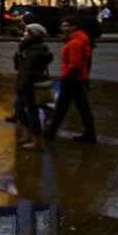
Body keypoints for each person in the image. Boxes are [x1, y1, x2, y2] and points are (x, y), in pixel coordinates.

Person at [43, 15, 97, 144]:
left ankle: (51, 131)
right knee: (82, 107)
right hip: (79, 78)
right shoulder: (79, 40)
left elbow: (75, 63)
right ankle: (90, 133)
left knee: (62, 106)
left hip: (72, 79)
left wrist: (65, 75)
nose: (62, 28)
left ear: (73, 27)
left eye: (65, 25)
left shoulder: (75, 43)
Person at [13, 23, 54, 152]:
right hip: (26, 84)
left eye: (27, 32)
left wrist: (21, 86)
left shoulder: (35, 51)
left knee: (32, 112)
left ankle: (37, 141)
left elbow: (27, 70)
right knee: (19, 107)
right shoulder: (26, 48)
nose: (24, 33)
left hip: (30, 85)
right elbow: (17, 65)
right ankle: (29, 134)